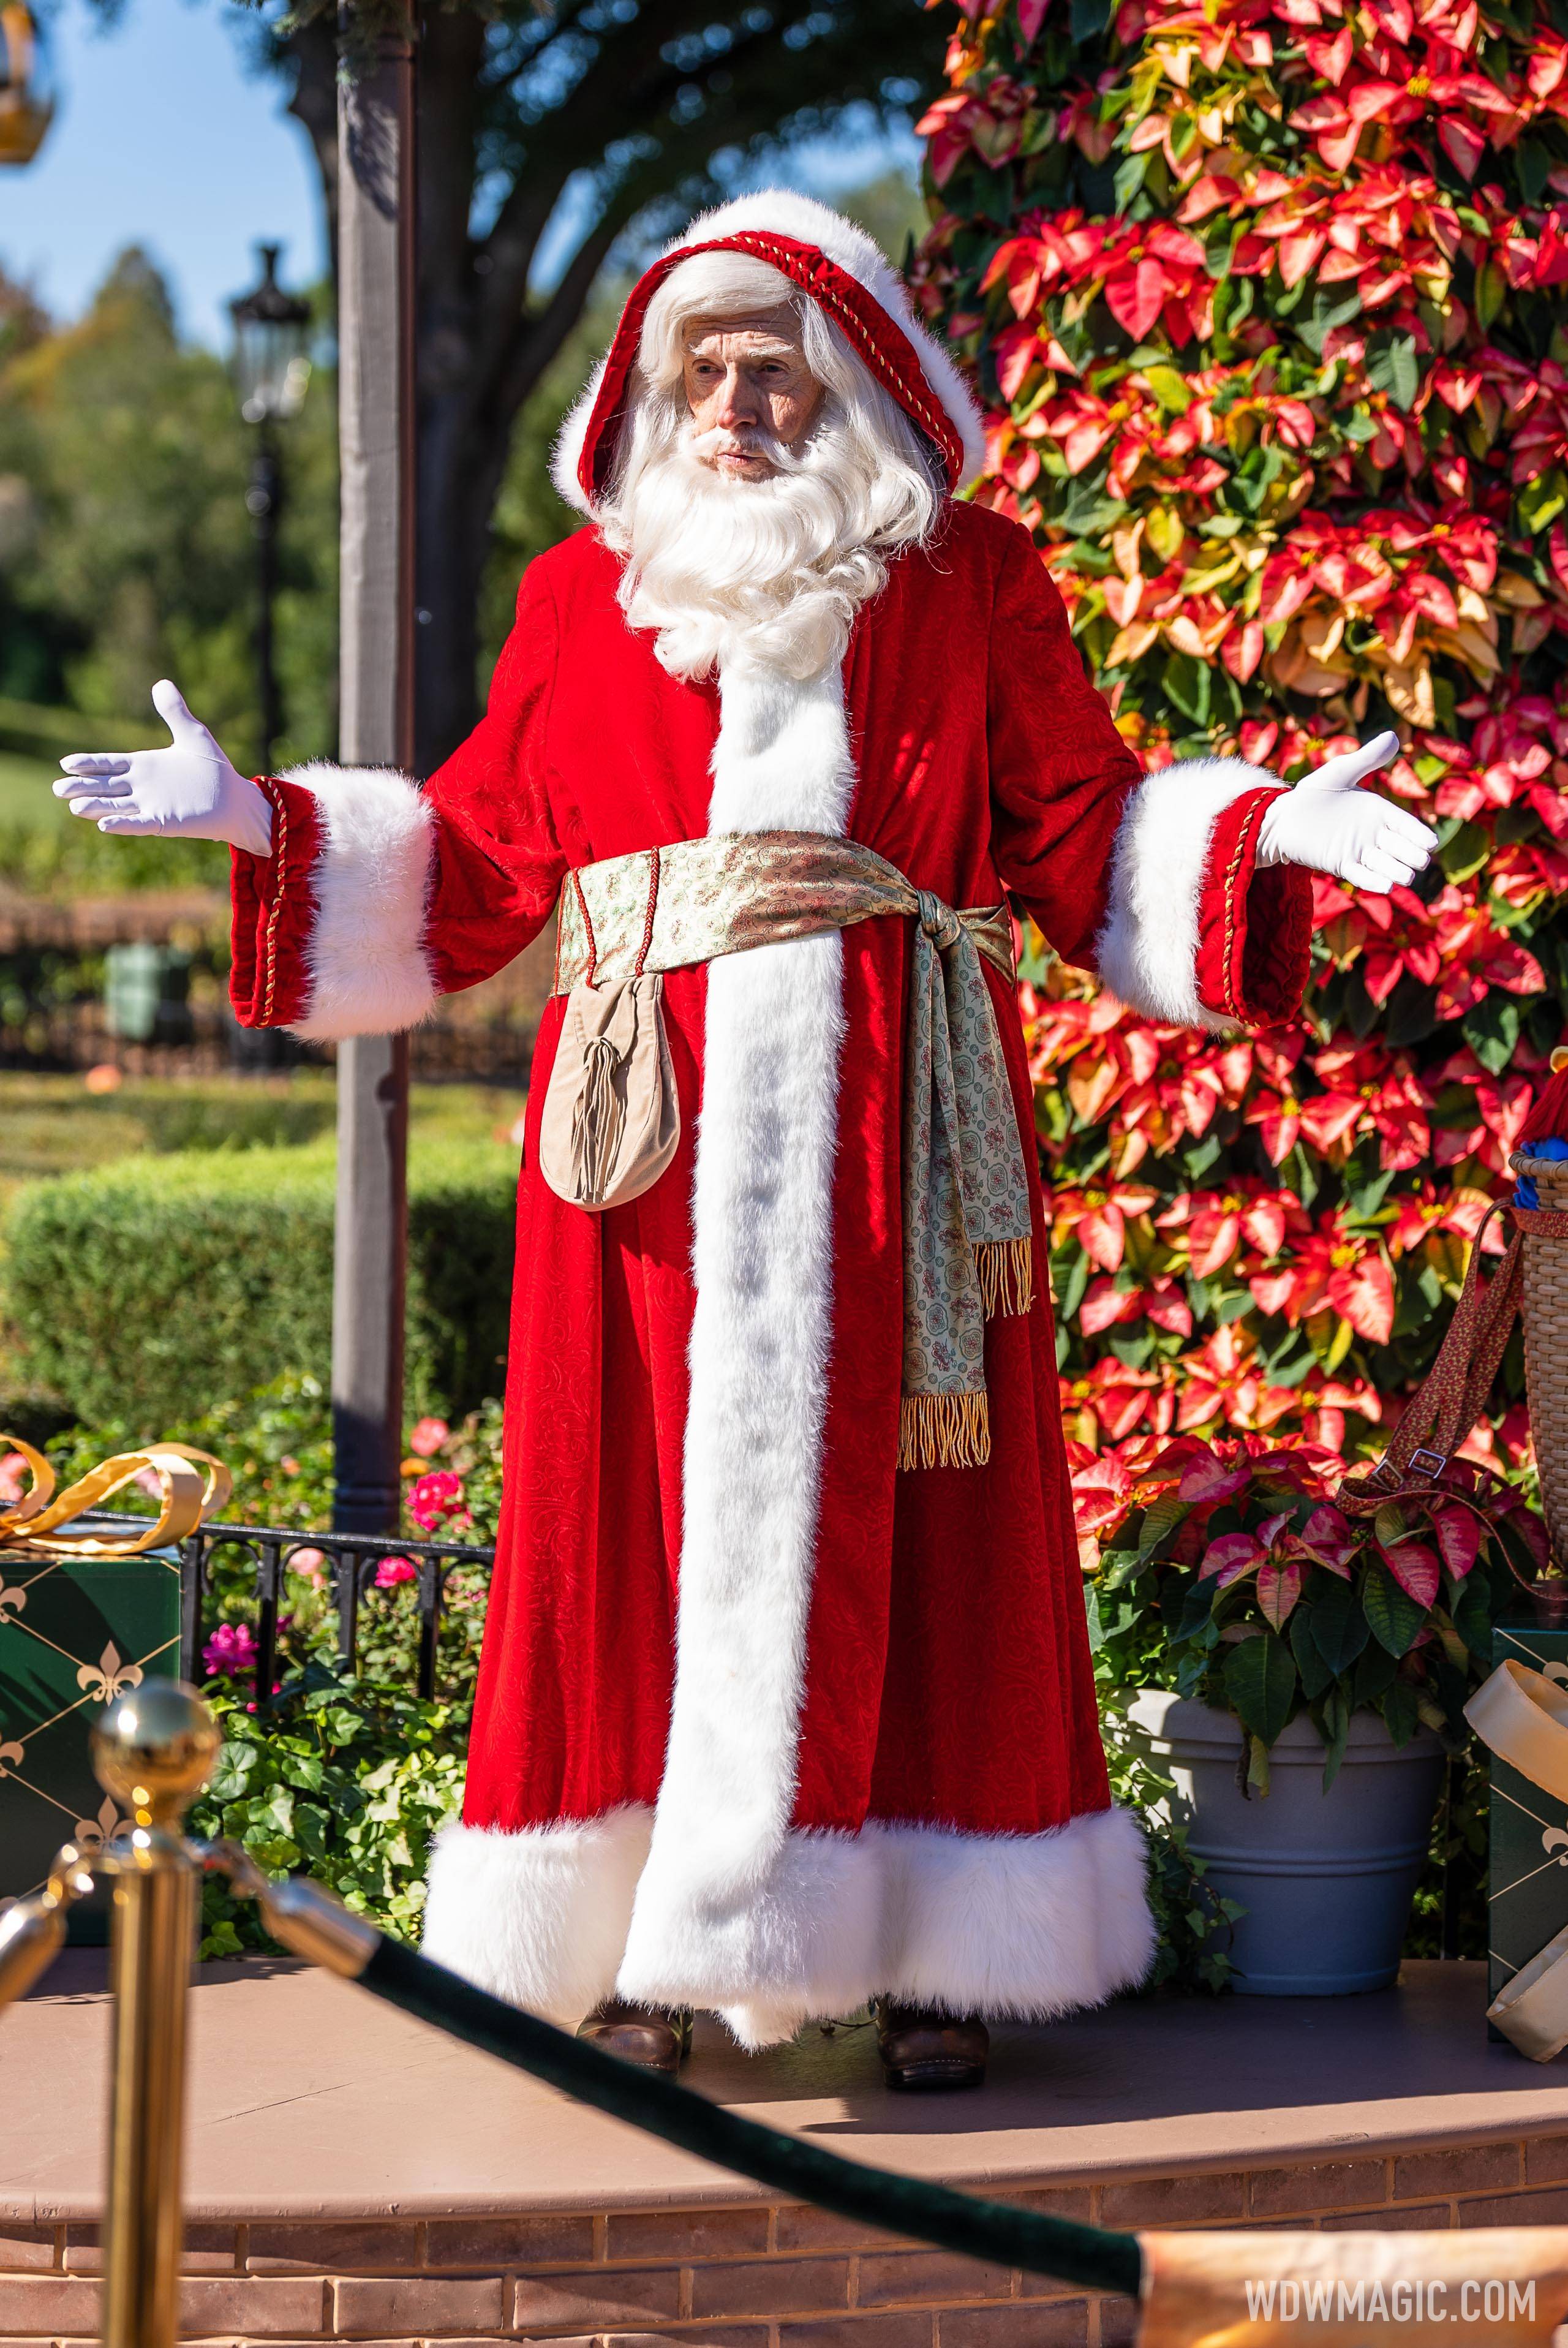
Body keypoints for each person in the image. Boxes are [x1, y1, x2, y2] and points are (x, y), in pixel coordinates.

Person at [55, 192, 1438, 2088]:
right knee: (618, 1525)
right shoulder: (579, 601)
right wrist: (256, 822)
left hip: (901, 1128)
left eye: (766, 366)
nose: (728, 403)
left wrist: (1254, 832)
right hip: (642, 1153)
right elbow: (471, 861)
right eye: (695, 368)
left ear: (854, 381)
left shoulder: (971, 585)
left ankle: (946, 1947)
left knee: (931, 1518)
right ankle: (635, 1945)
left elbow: (1079, 829)